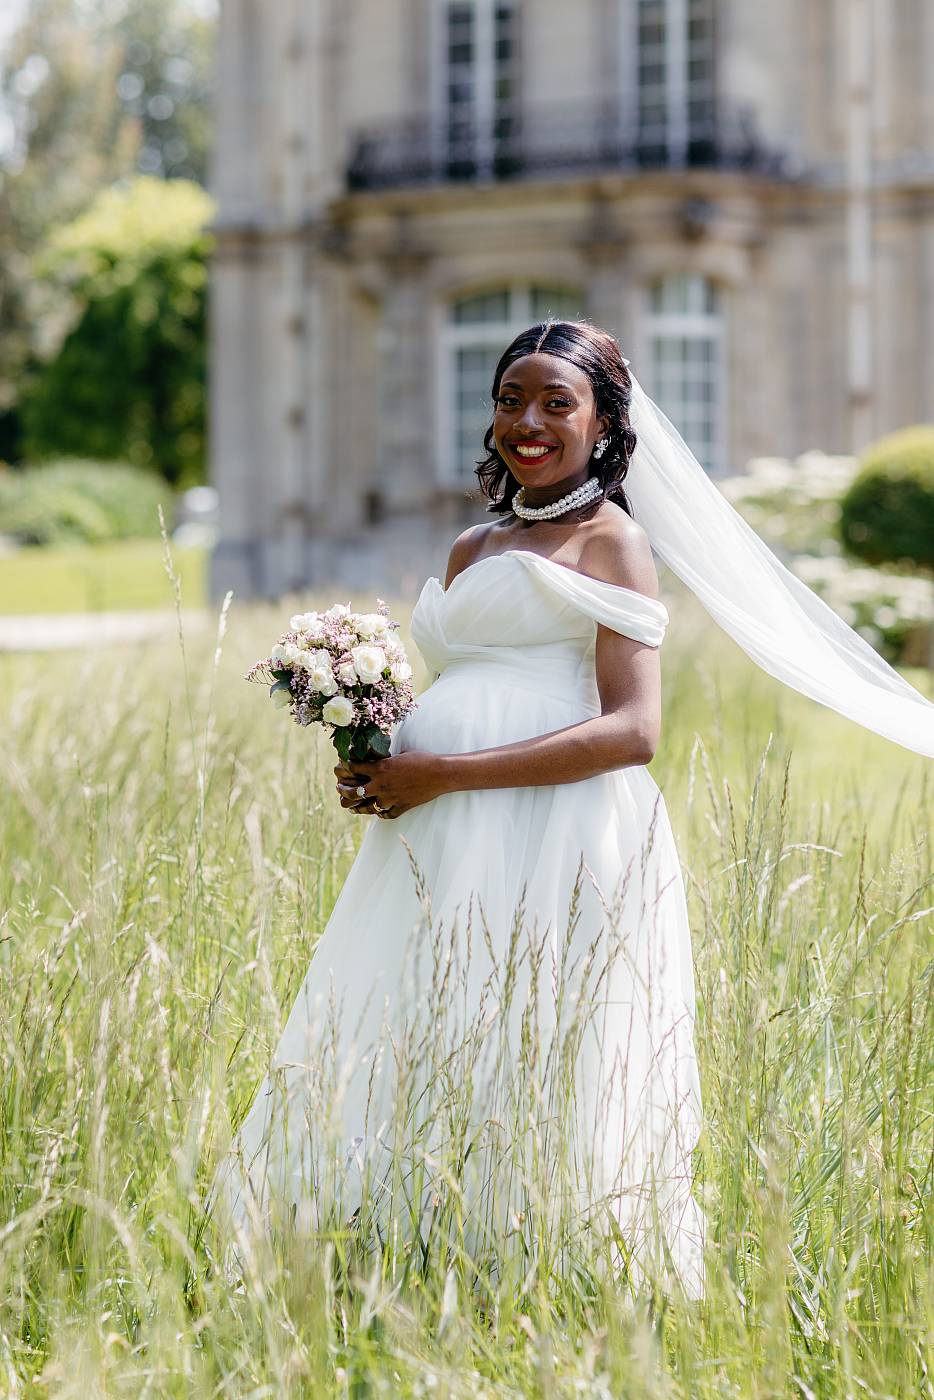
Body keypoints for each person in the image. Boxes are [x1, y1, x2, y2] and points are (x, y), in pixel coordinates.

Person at [207, 321, 934, 1302]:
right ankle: (405, 1234)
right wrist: (379, 750)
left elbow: (633, 729)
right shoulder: (474, 545)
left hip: (562, 824)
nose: (529, 421)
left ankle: (546, 1261)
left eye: (557, 401)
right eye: (512, 398)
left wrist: (447, 773)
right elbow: (469, 683)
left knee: (543, 1026)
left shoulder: (613, 541)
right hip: (437, 826)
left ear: (602, 421)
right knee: (422, 1010)